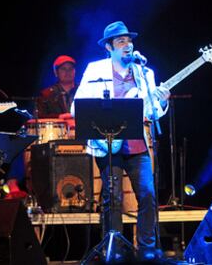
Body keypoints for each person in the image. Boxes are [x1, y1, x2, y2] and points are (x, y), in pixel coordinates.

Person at [71, 21, 170, 261]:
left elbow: (152, 111)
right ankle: (112, 250)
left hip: (138, 143)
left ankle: (147, 249)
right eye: (121, 41)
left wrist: (163, 100)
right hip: (107, 144)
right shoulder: (95, 70)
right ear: (109, 47)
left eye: (129, 40)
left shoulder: (145, 73)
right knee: (112, 198)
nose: (127, 45)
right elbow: (77, 107)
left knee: (147, 194)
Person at [5, 55, 78, 199]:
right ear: (56, 73)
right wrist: (62, 118)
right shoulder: (46, 95)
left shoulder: (84, 91)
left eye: (71, 68)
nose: (68, 71)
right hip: (55, 135)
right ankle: (12, 183)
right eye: (64, 69)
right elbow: (39, 117)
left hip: (80, 134)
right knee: (25, 144)